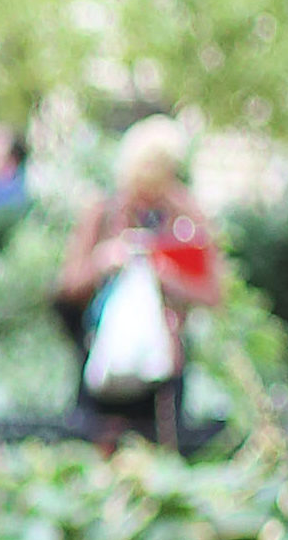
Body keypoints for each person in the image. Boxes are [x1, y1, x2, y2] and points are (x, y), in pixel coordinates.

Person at [53, 115, 224, 450]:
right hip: (107, 364)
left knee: (159, 457)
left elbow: (212, 292)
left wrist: (164, 274)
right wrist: (105, 261)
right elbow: (66, 286)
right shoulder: (104, 211)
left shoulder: (185, 216)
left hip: (162, 369)